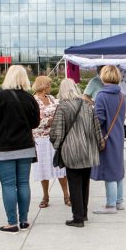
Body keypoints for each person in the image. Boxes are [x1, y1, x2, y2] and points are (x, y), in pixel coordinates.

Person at [0, 65, 40, 233]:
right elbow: (35, 123)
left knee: (8, 184)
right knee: (23, 183)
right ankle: (24, 220)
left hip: (5, 148)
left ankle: (12, 222)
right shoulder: (29, 99)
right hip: (26, 147)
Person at [50, 78, 102, 227]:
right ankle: (83, 213)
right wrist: (99, 144)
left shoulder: (63, 107)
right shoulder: (87, 105)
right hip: (89, 149)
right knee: (85, 183)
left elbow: (57, 132)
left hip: (72, 150)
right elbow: (96, 127)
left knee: (74, 183)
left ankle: (77, 218)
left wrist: (56, 144)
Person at [92, 66, 126, 214]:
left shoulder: (101, 95)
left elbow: (98, 119)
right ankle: (119, 202)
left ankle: (111, 205)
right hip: (118, 135)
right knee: (118, 169)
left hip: (106, 137)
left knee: (109, 171)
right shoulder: (122, 95)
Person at [32, 75, 70, 208]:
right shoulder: (34, 100)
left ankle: (66, 195)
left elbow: (60, 111)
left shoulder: (52, 98)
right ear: (43, 86)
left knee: (60, 167)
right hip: (40, 139)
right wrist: (49, 121)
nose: (50, 87)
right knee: (43, 168)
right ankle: (45, 196)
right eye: (48, 85)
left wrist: (55, 119)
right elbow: (33, 120)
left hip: (55, 137)